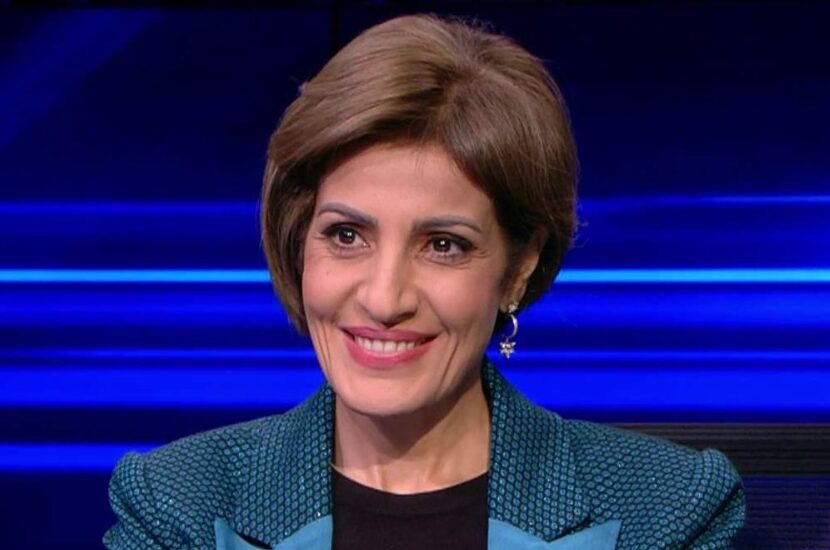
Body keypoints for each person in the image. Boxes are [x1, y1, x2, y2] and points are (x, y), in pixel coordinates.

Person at [104, 14, 745, 550]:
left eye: (443, 245)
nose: (385, 299)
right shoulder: (181, 505)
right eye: (346, 235)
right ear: (299, 242)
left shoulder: (663, 511)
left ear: (519, 267)